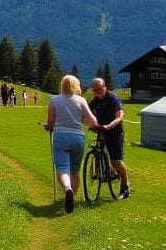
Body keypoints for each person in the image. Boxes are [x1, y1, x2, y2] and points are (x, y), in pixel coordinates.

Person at [44, 74, 101, 213]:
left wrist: (48, 127)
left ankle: (67, 189)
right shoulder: (81, 100)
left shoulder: (54, 100)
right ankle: (72, 198)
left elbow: (51, 122)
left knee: (63, 168)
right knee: (75, 171)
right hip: (78, 137)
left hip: (60, 136)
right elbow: (91, 121)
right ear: (76, 85)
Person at [88, 77, 130, 199]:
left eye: (99, 89)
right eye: (94, 90)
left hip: (115, 131)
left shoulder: (113, 98)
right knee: (98, 150)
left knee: (116, 160)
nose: (97, 92)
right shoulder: (95, 101)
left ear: (104, 86)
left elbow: (120, 116)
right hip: (102, 130)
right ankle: (103, 170)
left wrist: (109, 125)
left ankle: (125, 187)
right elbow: (87, 113)